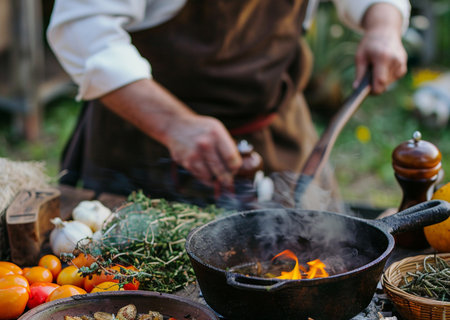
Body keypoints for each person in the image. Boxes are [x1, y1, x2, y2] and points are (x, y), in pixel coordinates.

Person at [47, 0, 410, 209]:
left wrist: (383, 24)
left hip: (276, 134)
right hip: (143, 142)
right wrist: (175, 125)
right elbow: (82, 28)